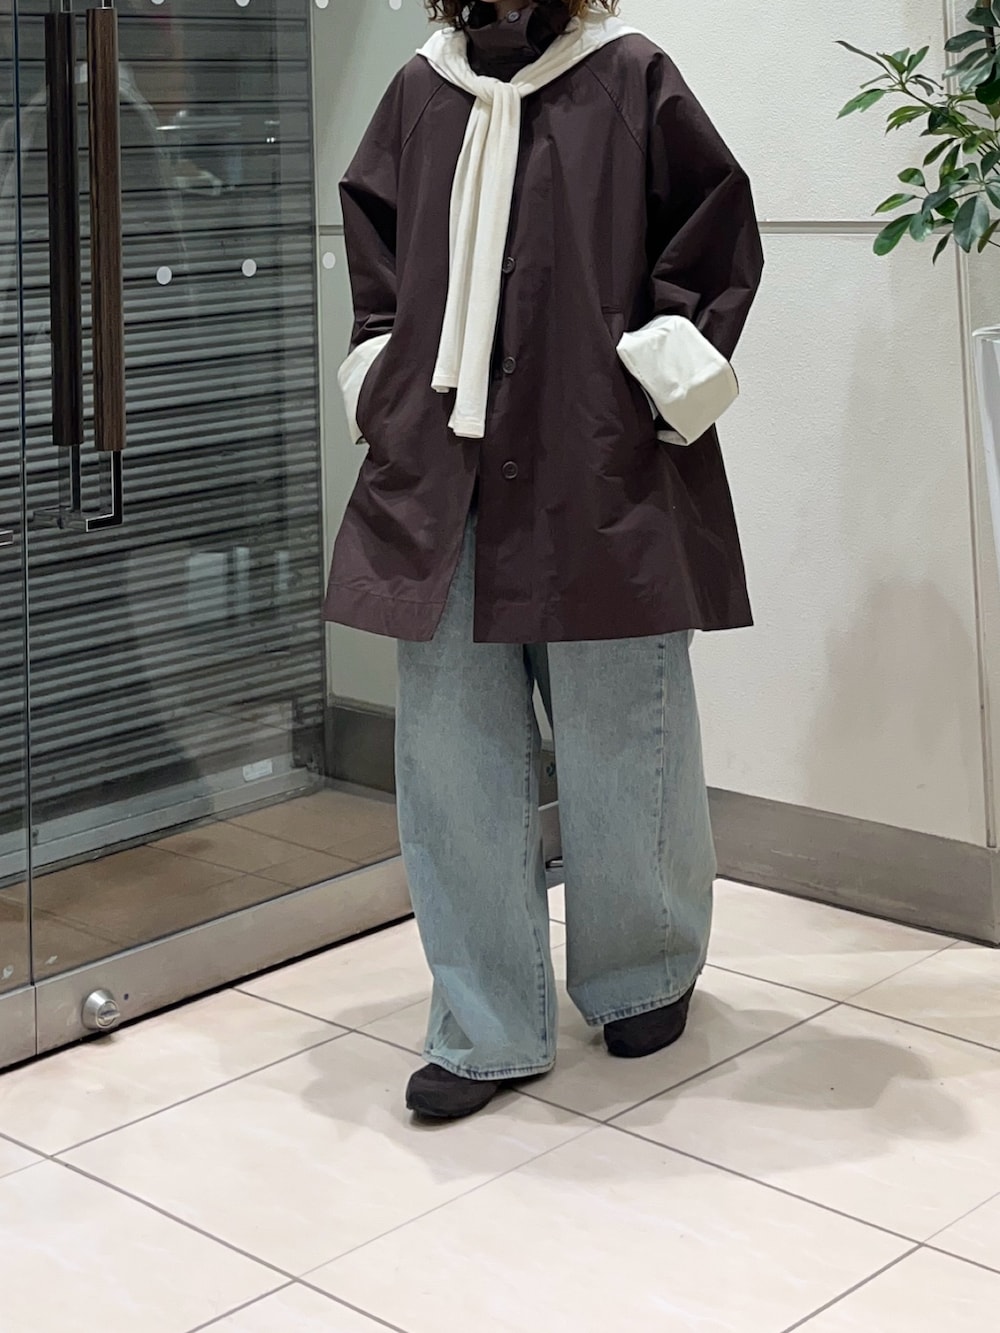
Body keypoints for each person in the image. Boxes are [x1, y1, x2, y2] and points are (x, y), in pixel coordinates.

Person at [325, 0, 764, 1120]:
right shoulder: (421, 89)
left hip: (596, 464)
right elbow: (375, 256)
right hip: (445, 472)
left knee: (626, 729)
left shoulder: (628, 75)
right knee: (452, 753)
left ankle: (643, 968)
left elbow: (712, 230)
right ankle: (485, 1019)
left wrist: (653, 385)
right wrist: (380, 379)